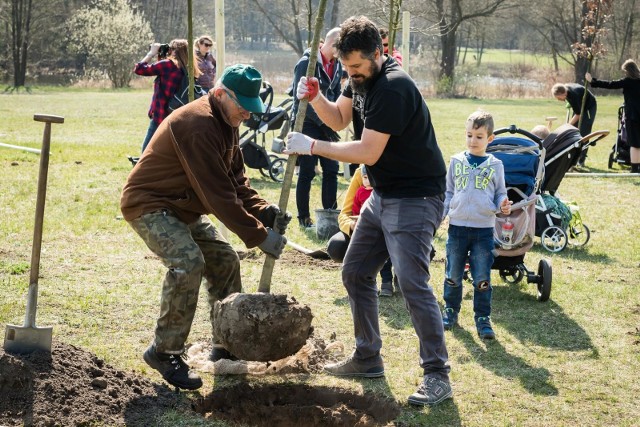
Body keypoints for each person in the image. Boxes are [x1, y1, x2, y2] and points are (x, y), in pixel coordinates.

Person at [285, 16, 452, 407]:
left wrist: (311, 146)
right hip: (383, 193)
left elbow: (366, 151)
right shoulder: (358, 78)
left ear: (379, 53)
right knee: (356, 271)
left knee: (412, 282)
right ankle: (367, 356)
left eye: (357, 67)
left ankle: (437, 374)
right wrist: (316, 99)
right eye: (346, 68)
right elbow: (341, 120)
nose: (351, 74)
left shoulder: (393, 87)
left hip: (416, 196)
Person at [120, 64, 290, 390]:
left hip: (183, 207)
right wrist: (258, 235)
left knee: (226, 260)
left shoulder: (228, 121)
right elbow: (217, 195)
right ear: (220, 93)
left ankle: (226, 347)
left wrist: (264, 211)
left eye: (250, 109)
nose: (246, 114)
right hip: (151, 204)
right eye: (242, 106)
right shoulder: (198, 125)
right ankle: (164, 351)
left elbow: (236, 180)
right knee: (188, 263)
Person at [441, 110, 512, 340]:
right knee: (452, 273)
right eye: (469, 135)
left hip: (483, 231)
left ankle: (483, 318)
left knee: (482, 277)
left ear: (490, 139)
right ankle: (450, 310)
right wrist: (440, 215)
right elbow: (449, 192)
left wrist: (502, 202)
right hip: (457, 228)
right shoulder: (456, 161)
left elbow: (501, 191)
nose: (473, 141)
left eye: (479, 136)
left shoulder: (495, 165)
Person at [291, 28, 343, 228]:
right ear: (333, 45)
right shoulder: (307, 63)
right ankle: (303, 217)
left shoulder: (337, 64)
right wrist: (326, 123)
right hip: (308, 123)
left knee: (332, 169)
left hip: (328, 122)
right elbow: (303, 101)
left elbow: (337, 93)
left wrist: (336, 117)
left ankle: (330, 214)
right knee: (307, 171)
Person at [327, 165, 396, 296]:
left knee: (388, 250)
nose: (368, 180)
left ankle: (391, 279)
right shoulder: (361, 178)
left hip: (392, 227)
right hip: (365, 228)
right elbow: (346, 213)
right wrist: (352, 225)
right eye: (365, 177)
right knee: (342, 247)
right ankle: (367, 282)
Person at [134, 39, 200, 153]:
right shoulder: (189, 68)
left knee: (146, 152)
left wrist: (151, 53)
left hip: (161, 114)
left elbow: (139, 69)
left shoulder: (167, 65)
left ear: (174, 51)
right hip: (177, 116)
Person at [586, 59, 640, 173]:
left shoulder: (628, 81)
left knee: (634, 144)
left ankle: (635, 169)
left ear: (627, 71)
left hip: (632, 116)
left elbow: (610, 84)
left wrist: (592, 81)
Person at [551, 81, 597, 167]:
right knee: (573, 131)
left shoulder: (573, 95)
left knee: (584, 133)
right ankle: (573, 158)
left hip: (589, 106)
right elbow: (577, 111)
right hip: (579, 106)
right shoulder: (565, 89)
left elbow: (578, 114)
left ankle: (581, 160)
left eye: (558, 98)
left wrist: (567, 125)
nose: (558, 100)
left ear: (563, 93)